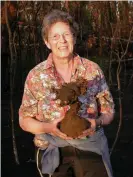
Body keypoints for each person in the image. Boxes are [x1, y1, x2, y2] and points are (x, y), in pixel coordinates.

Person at [19, 9, 115, 177]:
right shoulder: (36, 76)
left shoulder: (92, 71)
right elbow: (24, 120)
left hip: (90, 149)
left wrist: (96, 123)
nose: (62, 41)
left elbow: (108, 111)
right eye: (55, 36)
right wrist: (49, 127)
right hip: (53, 150)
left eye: (67, 34)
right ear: (47, 42)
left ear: (74, 38)